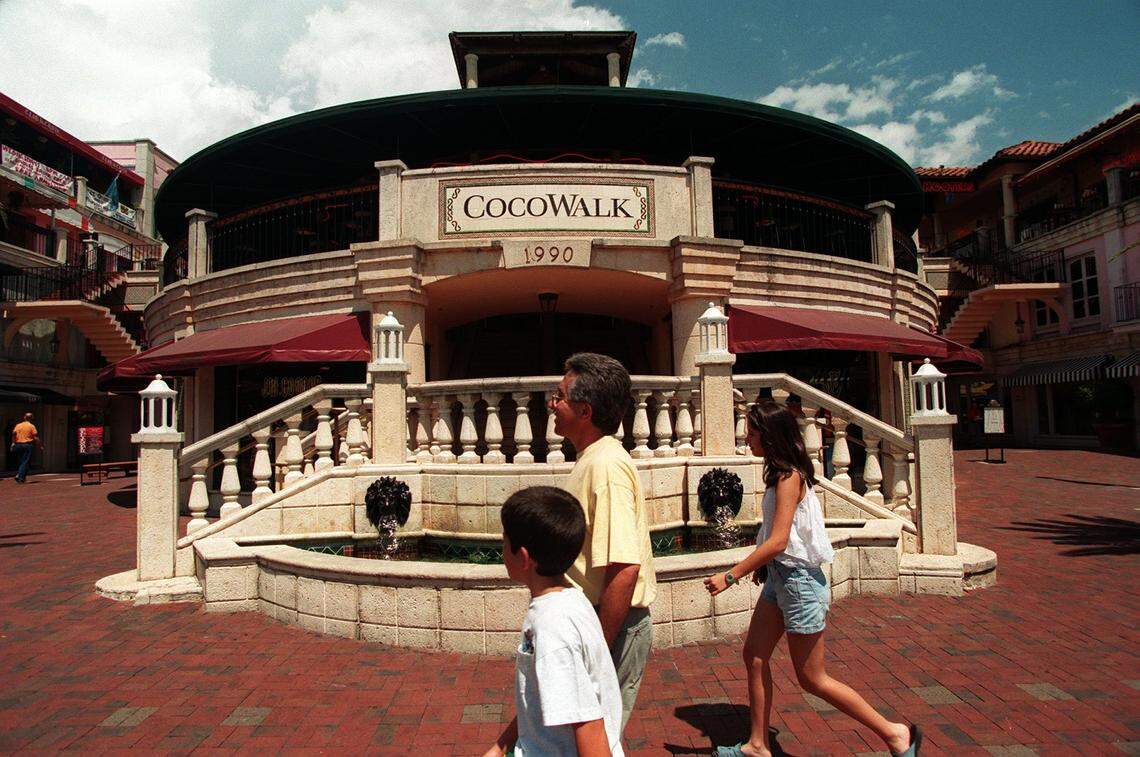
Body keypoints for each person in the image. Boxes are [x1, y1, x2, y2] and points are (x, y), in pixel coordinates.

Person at [704, 401, 921, 757]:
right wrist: (764, 567)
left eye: (753, 431)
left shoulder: (789, 476)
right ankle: (757, 746)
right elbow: (778, 538)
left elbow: (779, 539)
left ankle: (895, 734)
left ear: (770, 436)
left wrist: (732, 575)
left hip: (800, 584)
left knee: (812, 679)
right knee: (755, 657)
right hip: (782, 579)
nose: (747, 437)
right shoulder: (779, 474)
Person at [553, 353, 656, 733]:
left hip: (612, 624)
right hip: (601, 622)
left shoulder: (606, 467)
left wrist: (596, 646)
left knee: (596, 740)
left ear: (584, 410)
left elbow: (624, 569)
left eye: (559, 395)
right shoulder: (593, 459)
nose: (552, 403)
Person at [485, 486, 624, 757]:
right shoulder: (572, 600)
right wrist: (501, 746)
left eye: (504, 541)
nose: (501, 548)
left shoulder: (552, 629)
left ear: (523, 557)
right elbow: (540, 702)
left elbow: (588, 726)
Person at [11, 412, 42, 484]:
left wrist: (13, 443)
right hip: (27, 445)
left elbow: (14, 434)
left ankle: (22, 477)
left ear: (24, 417)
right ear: (32, 418)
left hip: (18, 445)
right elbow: (35, 437)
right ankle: (19, 476)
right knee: (25, 462)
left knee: (22, 462)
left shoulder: (18, 425)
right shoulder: (31, 426)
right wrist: (40, 445)